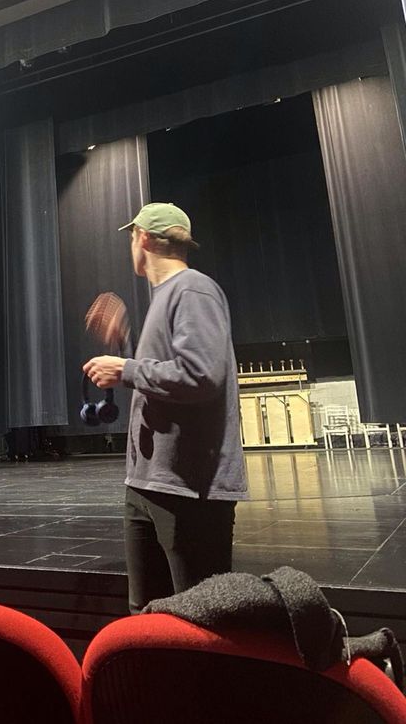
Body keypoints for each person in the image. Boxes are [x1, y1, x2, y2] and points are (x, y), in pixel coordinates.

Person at [83, 203, 247, 613]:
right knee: (147, 616)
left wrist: (127, 368)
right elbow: (163, 371)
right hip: (147, 484)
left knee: (201, 620)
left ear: (143, 238)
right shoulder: (167, 297)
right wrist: (125, 342)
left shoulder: (193, 289)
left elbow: (201, 376)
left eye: (130, 237)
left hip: (188, 489)